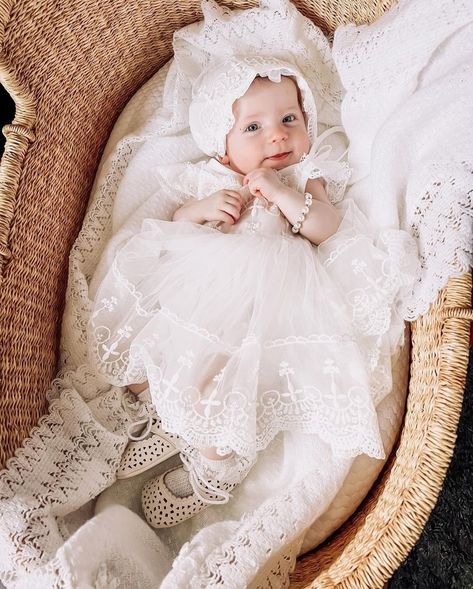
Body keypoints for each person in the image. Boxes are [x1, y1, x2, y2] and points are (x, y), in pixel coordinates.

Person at [89, 61, 413, 529]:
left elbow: (326, 227)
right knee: (156, 357)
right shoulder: (217, 179)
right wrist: (202, 210)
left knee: (226, 387)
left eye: (289, 120)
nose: (277, 137)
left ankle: (213, 468)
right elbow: (178, 221)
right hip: (208, 292)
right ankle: (161, 414)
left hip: (275, 301)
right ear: (224, 149)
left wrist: (283, 194)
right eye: (254, 127)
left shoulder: (307, 175)